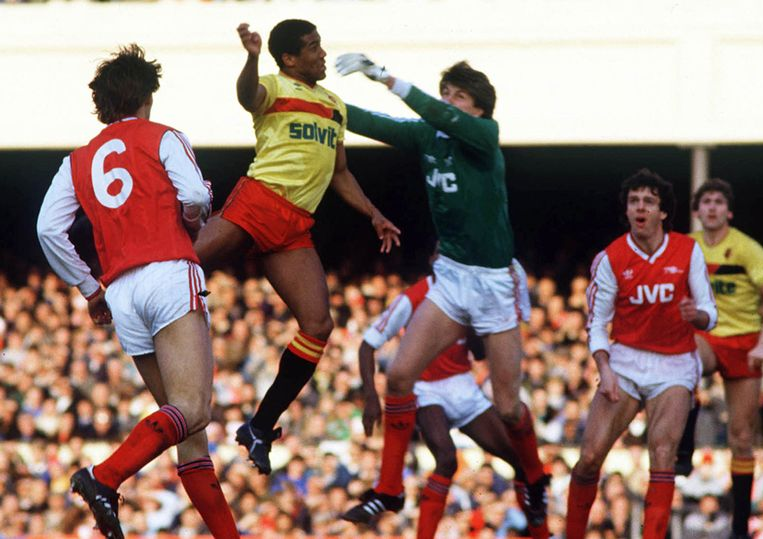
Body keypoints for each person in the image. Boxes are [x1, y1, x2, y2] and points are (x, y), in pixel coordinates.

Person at [335, 54, 548, 523]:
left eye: (460, 97)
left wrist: (387, 78)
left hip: (493, 283)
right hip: (452, 276)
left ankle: (534, 476)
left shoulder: (485, 138)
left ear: (478, 111)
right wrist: (312, 99)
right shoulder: (430, 135)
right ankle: (389, 490)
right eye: (447, 92)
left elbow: (436, 113)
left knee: (510, 407)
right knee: (400, 375)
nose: (449, 102)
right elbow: (373, 122)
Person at [36, 45, 238, 539]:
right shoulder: (164, 136)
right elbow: (193, 196)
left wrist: (88, 288)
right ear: (146, 95)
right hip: (169, 271)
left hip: (121, 290)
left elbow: (48, 230)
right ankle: (104, 477)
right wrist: (194, 218)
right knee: (194, 410)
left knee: (188, 433)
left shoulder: (78, 160)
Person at [192, 20, 400, 475]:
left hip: (295, 226)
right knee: (186, 258)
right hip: (260, 201)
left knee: (319, 325)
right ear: (288, 59)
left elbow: (340, 172)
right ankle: (112, 285)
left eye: (320, 44)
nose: (322, 53)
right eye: (312, 48)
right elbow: (247, 97)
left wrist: (374, 214)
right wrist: (249, 56)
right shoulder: (272, 85)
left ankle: (261, 427)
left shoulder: (333, 104)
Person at [565, 169, 717, 539]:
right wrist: (605, 367)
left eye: (649, 201)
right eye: (634, 201)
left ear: (663, 212)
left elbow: (710, 313)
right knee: (588, 460)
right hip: (626, 361)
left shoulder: (687, 250)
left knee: (662, 455)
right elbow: (597, 324)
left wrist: (694, 314)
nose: (640, 207)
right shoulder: (611, 258)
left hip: (675, 364)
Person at [350, 267, 548, 538]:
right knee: (446, 458)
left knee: (521, 462)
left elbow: (477, 354)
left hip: (463, 386)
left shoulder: (473, 292)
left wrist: (479, 322)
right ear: (436, 260)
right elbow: (367, 344)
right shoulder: (416, 295)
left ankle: (541, 531)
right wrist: (371, 396)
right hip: (425, 389)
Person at [675, 178, 763, 539]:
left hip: (744, 341)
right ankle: (685, 442)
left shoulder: (747, 249)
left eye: (718, 201)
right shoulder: (686, 245)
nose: (711, 207)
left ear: (728, 210)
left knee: (741, 438)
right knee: (684, 362)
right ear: (697, 210)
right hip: (707, 335)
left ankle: (739, 525)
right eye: (705, 201)